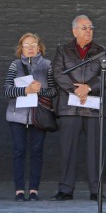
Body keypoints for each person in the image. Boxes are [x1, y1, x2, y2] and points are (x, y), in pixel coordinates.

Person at [50, 15, 106, 201]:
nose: (88, 31)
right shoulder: (63, 50)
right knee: (68, 150)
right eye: (84, 28)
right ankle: (65, 190)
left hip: (92, 108)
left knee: (95, 151)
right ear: (74, 31)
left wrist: (89, 87)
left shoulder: (100, 51)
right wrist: (76, 90)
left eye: (91, 28)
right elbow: (57, 73)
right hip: (69, 107)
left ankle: (96, 190)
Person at [3, 33, 57, 201]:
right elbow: (7, 90)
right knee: (19, 152)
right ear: (21, 49)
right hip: (17, 117)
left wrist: (40, 90)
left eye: (34, 44)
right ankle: (19, 190)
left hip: (38, 116)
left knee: (36, 152)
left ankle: (34, 190)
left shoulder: (48, 65)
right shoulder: (15, 65)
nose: (31, 48)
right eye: (27, 45)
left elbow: (54, 91)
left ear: (39, 47)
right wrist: (26, 91)